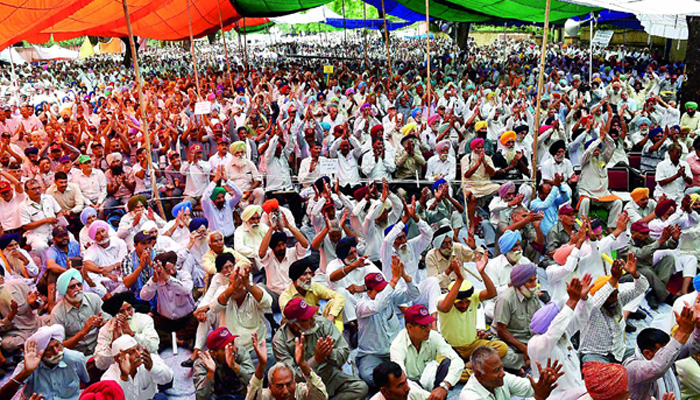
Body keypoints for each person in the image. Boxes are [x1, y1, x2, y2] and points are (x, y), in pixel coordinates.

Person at [272, 297, 368, 400]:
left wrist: (329, 353)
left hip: (329, 375)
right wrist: (316, 359)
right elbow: (292, 377)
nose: (313, 319)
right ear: (294, 325)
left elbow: (344, 353)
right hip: (304, 386)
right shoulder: (280, 341)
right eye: (307, 319)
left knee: (360, 388)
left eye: (311, 315)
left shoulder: (323, 324)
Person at [355, 257, 419, 391]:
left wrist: (405, 276)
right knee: (369, 378)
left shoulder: (389, 297)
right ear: (369, 292)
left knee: (416, 369)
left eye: (384, 289)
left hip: (394, 351)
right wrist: (394, 280)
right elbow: (376, 307)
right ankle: (403, 385)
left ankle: (402, 384)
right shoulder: (362, 305)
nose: (384, 293)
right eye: (379, 291)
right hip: (372, 355)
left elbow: (414, 294)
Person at [527, 276, 592, 399]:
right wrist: (572, 301)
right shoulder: (537, 344)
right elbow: (555, 330)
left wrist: (584, 299)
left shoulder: (563, 333)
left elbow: (582, 318)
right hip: (555, 396)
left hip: (576, 389)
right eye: (557, 318)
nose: (563, 322)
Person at [579, 256, 650, 364]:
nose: (614, 299)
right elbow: (595, 303)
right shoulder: (590, 307)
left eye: (615, 294)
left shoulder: (618, 299)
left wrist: (634, 274)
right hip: (594, 354)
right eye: (611, 296)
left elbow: (642, 288)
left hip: (619, 352)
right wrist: (613, 279)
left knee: (645, 361)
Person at [624, 303, 700, 400]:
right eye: (663, 350)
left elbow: (691, 348)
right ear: (648, 353)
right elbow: (657, 367)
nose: (668, 352)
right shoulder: (632, 367)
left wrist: (698, 327)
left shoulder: (666, 357)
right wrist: (682, 332)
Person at [389, 304, 464, 400]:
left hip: (432, 382)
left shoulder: (433, 336)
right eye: (423, 327)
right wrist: (431, 397)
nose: (428, 329)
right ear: (409, 327)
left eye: (429, 324)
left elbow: (458, 360)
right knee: (408, 382)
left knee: (447, 364)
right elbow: (402, 381)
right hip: (411, 390)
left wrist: (444, 386)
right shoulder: (397, 346)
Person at [211, 253, 273, 360]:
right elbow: (213, 308)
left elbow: (268, 303)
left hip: (256, 345)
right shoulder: (225, 291)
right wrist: (230, 289)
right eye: (231, 283)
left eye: (238, 284)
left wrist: (248, 285)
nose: (233, 287)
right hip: (234, 348)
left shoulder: (253, 291)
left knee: (270, 356)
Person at [9, 325, 89, 400]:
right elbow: (4, 395)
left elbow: (85, 381)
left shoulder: (76, 358)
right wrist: (26, 372)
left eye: (58, 345)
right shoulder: (27, 365)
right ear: (40, 352)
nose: (56, 351)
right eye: (49, 349)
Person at [139, 251, 197, 349]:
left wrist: (168, 278)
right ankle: (177, 340)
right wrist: (154, 281)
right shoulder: (157, 279)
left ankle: (169, 340)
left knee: (198, 320)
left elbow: (186, 290)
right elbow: (144, 296)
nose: (171, 272)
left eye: (172, 268)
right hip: (165, 320)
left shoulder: (184, 275)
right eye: (167, 270)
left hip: (185, 318)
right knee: (150, 323)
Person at [459, 346, 563, 400]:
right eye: (496, 370)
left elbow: (529, 387)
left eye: (501, 368)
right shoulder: (470, 396)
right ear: (479, 375)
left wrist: (544, 380)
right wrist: (538, 398)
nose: (502, 373)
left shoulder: (501, 378)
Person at [247, 332, 328, 400]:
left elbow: (321, 397)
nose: (285, 391)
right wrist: (261, 365)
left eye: (289, 385)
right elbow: (252, 397)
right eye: (279, 386)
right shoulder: (266, 396)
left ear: (295, 382)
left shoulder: (300, 392)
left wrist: (303, 365)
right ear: (270, 387)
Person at [492, 263, 541, 370]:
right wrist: (524, 349)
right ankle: (525, 361)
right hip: (508, 341)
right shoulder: (505, 299)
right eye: (530, 281)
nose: (534, 285)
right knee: (502, 357)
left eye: (535, 280)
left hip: (529, 340)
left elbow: (540, 319)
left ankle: (521, 364)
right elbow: (501, 331)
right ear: (520, 284)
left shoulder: (533, 296)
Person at [94, 291, 159, 371]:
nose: (127, 314)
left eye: (129, 309)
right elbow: (100, 364)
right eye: (121, 312)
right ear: (115, 314)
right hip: (121, 370)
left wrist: (132, 334)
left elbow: (153, 347)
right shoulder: (106, 330)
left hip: (145, 362)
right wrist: (113, 344)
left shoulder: (144, 319)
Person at [278, 256, 346, 332]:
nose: (309, 277)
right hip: (300, 328)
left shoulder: (314, 286)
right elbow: (288, 319)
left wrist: (331, 315)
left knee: (335, 305)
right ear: (295, 278)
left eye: (310, 273)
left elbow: (339, 297)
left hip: (315, 323)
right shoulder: (285, 297)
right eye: (304, 274)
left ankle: (338, 336)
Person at [49, 268, 104, 355]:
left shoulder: (94, 299)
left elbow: (109, 323)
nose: (77, 289)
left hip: (99, 347)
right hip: (75, 354)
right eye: (72, 287)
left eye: (79, 285)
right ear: (64, 291)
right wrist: (83, 332)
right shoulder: (57, 313)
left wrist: (101, 324)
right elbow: (59, 345)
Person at [101, 335, 173, 400]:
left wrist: (152, 367)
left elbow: (168, 378)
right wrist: (124, 377)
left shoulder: (148, 360)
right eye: (132, 352)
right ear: (117, 358)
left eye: (138, 349)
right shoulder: (108, 378)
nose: (138, 354)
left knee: (161, 397)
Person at [193, 327, 255, 400]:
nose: (233, 350)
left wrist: (235, 366)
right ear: (214, 354)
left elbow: (254, 385)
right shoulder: (202, 363)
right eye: (226, 348)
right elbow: (201, 397)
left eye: (232, 343)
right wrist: (210, 373)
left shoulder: (240, 352)